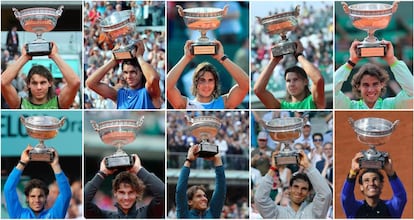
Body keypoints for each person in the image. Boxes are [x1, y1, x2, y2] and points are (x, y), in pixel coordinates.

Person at [167, 40, 249, 109]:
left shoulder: (225, 103)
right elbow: (168, 87)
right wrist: (186, 57)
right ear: (196, 82)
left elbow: (245, 85)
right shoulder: (186, 105)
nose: (206, 85)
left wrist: (222, 57)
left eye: (210, 80)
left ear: (215, 83)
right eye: (202, 80)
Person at [335, 40, 413, 109]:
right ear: (358, 86)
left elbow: (412, 91)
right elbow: (334, 91)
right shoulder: (349, 107)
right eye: (366, 85)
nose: (370, 90)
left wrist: (391, 59)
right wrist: (351, 61)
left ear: (382, 84)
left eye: (375, 84)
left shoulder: (392, 105)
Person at [254, 150, 332, 218]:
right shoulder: (276, 213)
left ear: (309, 192)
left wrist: (308, 166)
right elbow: (260, 198)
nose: (299, 191)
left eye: (304, 189)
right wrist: (273, 168)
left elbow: (325, 194)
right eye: (296, 187)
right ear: (289, 189)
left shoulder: (315, 211)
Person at [1, 43, 80, 109]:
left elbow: (75, 82)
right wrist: (24, 57)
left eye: (43, 83)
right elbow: (3, 82)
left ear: (50, 83)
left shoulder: (59, 103)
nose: (39, 87)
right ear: (28, 84)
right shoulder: (20, 104)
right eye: (34, 83)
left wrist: (55, 55)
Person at [85, 41, 161, 109]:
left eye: (133, 72)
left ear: (141, 72)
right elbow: (90, 83)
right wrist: (113, 61)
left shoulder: (149, 92)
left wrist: (139, 57)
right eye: (125, 72)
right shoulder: (119, 95)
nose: (129, 77)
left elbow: (153, 78)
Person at [84, 154, 164, 218]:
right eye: (122, 192)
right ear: (115, 193)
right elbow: (84, 200)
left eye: (130, 192)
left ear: (137, 193)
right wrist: (102, 173)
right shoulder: (104, 216)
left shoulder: (148, 214)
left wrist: (138, 169)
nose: (126, 198)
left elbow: (162, 193)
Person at [4, 146, 71, 218]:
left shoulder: (54, 215)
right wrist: (22, 162)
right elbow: (8, 189)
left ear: (46, 197)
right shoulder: (18, 214)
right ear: (27, 198)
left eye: (40, 196)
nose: (37, 200)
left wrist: (55, 165)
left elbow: (66, 194)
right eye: (33, 196)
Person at [253, 41, 325, 109]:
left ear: (305, 81)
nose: (291, 84)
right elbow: (258, 90)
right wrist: (273, 61)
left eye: (295, 79)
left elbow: (318, 80)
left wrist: (299, 55)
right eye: (288, 81)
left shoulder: (314, 101)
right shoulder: (281, 106)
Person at [341, 152, 407, 218]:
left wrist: (390, 172)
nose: (371, 183)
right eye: (366, 180)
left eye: (375, 179)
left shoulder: (391, 208)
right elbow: (346, 197)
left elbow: (400, 196)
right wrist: (353, 172)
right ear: (361, 187)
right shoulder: (354, 209)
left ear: (381, 184)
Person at [175, 145, 226, 218]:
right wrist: (188, 160)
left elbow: (221, 189)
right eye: (199, 196)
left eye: (204, 196)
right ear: (190, 202)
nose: (204, 199)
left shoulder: (213, 214)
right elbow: (180, 191)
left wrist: (217, 159)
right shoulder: (184, 215)